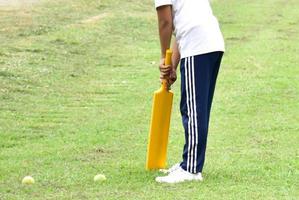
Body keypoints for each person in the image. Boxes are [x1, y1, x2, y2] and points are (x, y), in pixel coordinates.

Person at [154, 0, 225, 183]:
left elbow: (165, 23)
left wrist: (164, 56)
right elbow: (182, 29)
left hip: (198, 44)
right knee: (193, 107)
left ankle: (191, 169)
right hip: (209, 42)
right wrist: (172, 66)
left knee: (194, 111)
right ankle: (188, 162)